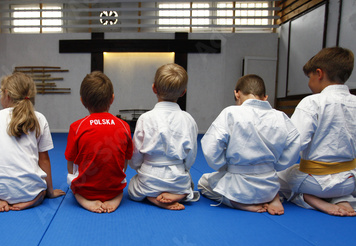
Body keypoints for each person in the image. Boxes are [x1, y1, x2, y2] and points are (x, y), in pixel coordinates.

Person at [198, 74, 300, 215]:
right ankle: (274, 197)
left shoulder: (231, 113)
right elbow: (295, 144)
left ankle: (237, 203)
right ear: (265, 97)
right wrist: (275, 166)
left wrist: (224, 166)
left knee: (203, 183)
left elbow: (211, 147)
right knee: (275, 180)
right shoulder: (280, 116)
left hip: (238, 184)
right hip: (269, 181)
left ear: (237, 93)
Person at [278, 47, 356, 216]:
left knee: (273, 179)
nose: (309, 82)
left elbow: (293, 145)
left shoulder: (312, 102)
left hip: (314, 182)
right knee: (340, 183)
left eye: (309, 77)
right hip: (350, 181)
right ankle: (343, 199)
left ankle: (308, 198)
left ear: (319, 73)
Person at [0, 72, 65, 212]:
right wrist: (50, 192)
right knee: (42, 190)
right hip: (29, 191)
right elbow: (44, 160)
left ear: (6, 95)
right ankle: (35, 198)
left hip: (1, 191)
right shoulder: (39, 118)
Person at [128, 63, 199, 210]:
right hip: (178, 178)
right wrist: (183, 168)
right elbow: (191, 156)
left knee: (133, 188)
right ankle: (181, 193)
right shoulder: (188, 119)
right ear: (183, 92)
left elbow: (135, 157)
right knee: (189, 184)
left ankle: (152, 196)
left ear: (154, 88)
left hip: (149, 177)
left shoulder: (145, 118)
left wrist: (139, 167)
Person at [65, 71, 133, 213]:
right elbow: (125, 164)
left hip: (85, 189)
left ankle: (82, 198)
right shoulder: (124, 126)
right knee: (120, 180)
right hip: (114, 187)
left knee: (73, 184)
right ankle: (115, 197)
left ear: (82, 101)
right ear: (112, 99)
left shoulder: (76, 127)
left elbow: (70, 165)